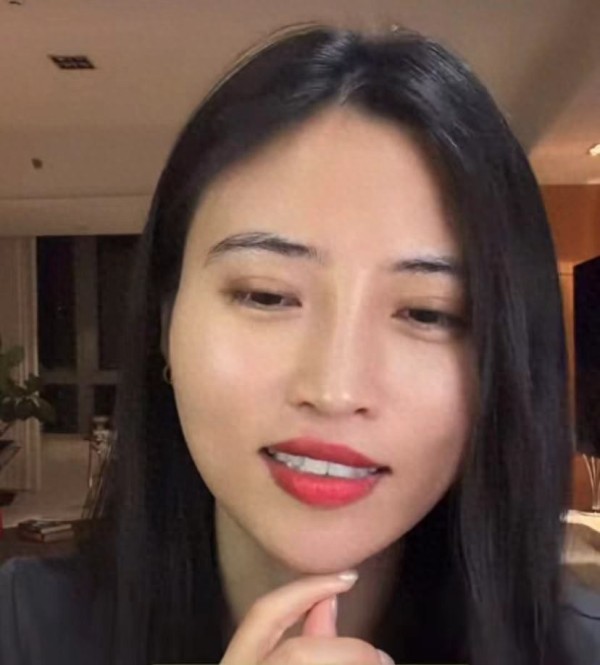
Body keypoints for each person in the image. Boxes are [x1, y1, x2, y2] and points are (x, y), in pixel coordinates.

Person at [0, 21, 596, 665]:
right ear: (166, 323)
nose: (334, 389)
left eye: (428, 313)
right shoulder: (22, 629)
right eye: (266, 296)